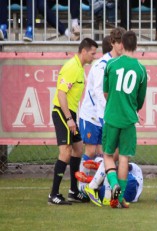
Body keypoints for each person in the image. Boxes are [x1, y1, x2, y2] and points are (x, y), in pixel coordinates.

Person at [48, 38, 98, 205]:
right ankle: (53, 194)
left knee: (78, 149)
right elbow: (61, 94)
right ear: (83, 51)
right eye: (92, 53)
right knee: (66, 152)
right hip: (62, 113)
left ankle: (73, 191)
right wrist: (69, 118)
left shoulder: (79, 67)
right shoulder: (71, 67)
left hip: (71, 113)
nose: (94, 56)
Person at [102, 30, 147, 209]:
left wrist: (115, 103)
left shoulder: (111, 64)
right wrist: (130, 108)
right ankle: (120, 199)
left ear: (122, 44)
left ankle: (114, 186)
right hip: (129, 119)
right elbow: (140, 100)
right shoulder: (141, 70)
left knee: (107, 155)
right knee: (123, 158)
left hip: (112, 116)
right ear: (135, 46)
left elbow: (106, 92)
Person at [78, 27, 125, 193]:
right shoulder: (101, 65)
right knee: (92, 151)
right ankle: (81, 188)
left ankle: (96, 186)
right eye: (118, 42)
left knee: (106, 152)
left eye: (123, 42)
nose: (121, 45)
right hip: (93, 115)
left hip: (106, 115)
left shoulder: (120, 64)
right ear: (112, 43)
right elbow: (98, 93)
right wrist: (108, 114)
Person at [75, 157, 143, 206]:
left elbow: (126, 166)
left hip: (129, 185)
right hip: (129, 194)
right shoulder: (131, 166)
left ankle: (92, 180)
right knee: (116, 173)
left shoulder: (133, 167)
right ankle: (93, 180)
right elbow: (126, 166)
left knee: (111, 171)